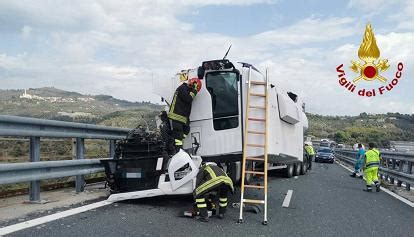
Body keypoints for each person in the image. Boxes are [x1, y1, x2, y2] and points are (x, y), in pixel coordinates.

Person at [168, 77, 202, 152]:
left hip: (181, 117)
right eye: (196, 87)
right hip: (176, 116)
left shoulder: (185, 90)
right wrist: (194, 90)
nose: (196, 90)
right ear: (192, 84)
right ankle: (178, 151)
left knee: (187, 130)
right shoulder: (182, 88)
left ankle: (174, 142)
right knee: (178, 137)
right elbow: (188, 98)